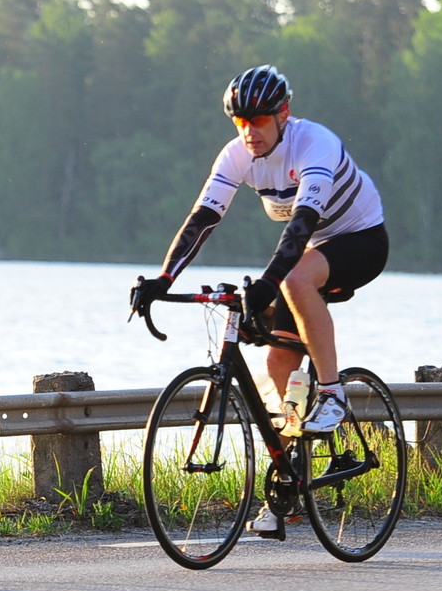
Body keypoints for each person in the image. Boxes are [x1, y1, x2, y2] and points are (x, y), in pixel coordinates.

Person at [129, 64, 390, 535]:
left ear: (283, 114)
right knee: (277, 362)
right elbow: (203, 219)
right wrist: (164, 277)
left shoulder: (315, 144)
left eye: (258, 120)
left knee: (292, 280)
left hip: (361, 240)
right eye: (240, 121)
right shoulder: (237, 155)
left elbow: (301, 225)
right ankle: (290, 486)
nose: (249, 131)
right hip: (313, 251)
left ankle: (332, 392)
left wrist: (269, 284)